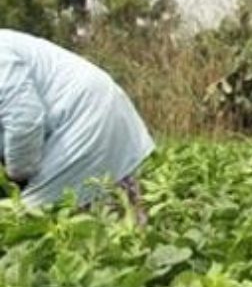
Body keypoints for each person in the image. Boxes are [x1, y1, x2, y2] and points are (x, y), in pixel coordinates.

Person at [0, 29, 154, 212]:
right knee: (116, 209)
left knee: (25, 221)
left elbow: (24, 121)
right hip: (95, 110)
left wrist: (16, 176)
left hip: (84, 117)